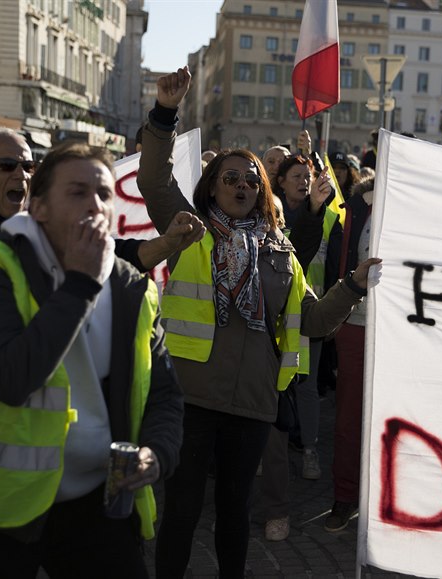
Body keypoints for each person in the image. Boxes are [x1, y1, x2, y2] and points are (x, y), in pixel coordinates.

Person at [139, 66, 381, 578]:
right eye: (231, 178)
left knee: (234, 516)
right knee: (180, 513)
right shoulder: (187, 228)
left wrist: (354, 284)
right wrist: (164, 113)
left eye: (252, 179)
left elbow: (313, 320)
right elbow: (153, 181)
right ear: (212, 187)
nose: (243, 185)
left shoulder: (281, 251)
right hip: (190, 397)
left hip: (253, 403)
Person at [0, 130, 203, 497]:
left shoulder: (69, 245)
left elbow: (121, 257)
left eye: (29, 165)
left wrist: (156, 451)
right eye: (7, 165)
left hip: (65, 470)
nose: (22, 175)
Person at [0, 142, 186, 578]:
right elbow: (12, 379)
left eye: (104, 194)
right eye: (76, 192)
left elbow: (163, 393)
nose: (94, 204)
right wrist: (80, 285)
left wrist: (156, 453)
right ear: (39, 209)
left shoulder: (133, 288)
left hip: (97, 500)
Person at [259, 154, 340, 541]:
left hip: (297, 331)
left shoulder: (289, 246)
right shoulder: (220, 241)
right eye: (297, 177)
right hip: (243, 358)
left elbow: (302, 251)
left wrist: (350, 288)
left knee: (295, 401)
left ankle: (303, 457)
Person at [322, 176, 376, 534]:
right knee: (349, 420)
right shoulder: (358, 208)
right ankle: (345, 497)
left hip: (405, 328)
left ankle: (384, 502)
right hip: (357, 325)